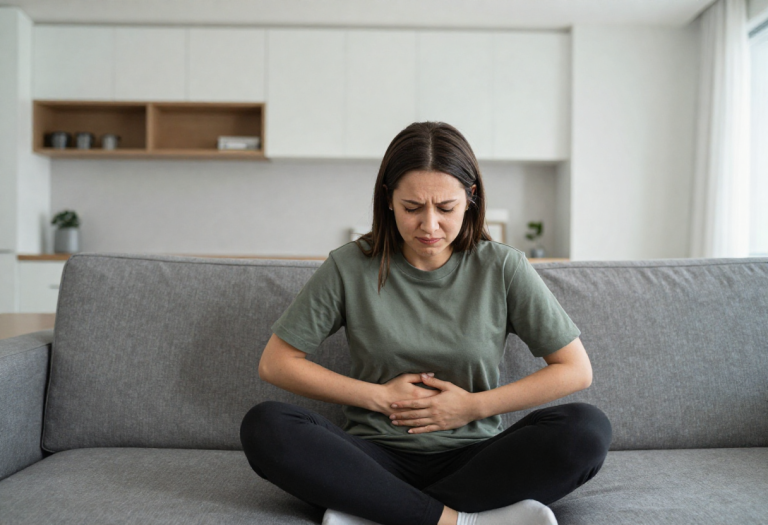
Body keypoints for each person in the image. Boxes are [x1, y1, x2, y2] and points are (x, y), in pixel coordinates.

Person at [240, 122, 612, 525]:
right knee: (266, 426)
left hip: (475, 459)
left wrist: (471, 407)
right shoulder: (349, 266)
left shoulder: (503, 267)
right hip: (373, 458)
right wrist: (380, 398)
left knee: (587, 429)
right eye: (412, 208)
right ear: (388, 199)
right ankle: (456, 520)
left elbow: (575, 369)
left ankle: (380, 510)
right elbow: (276, 363)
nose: (429, 225)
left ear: (470, 198)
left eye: (446, 208)